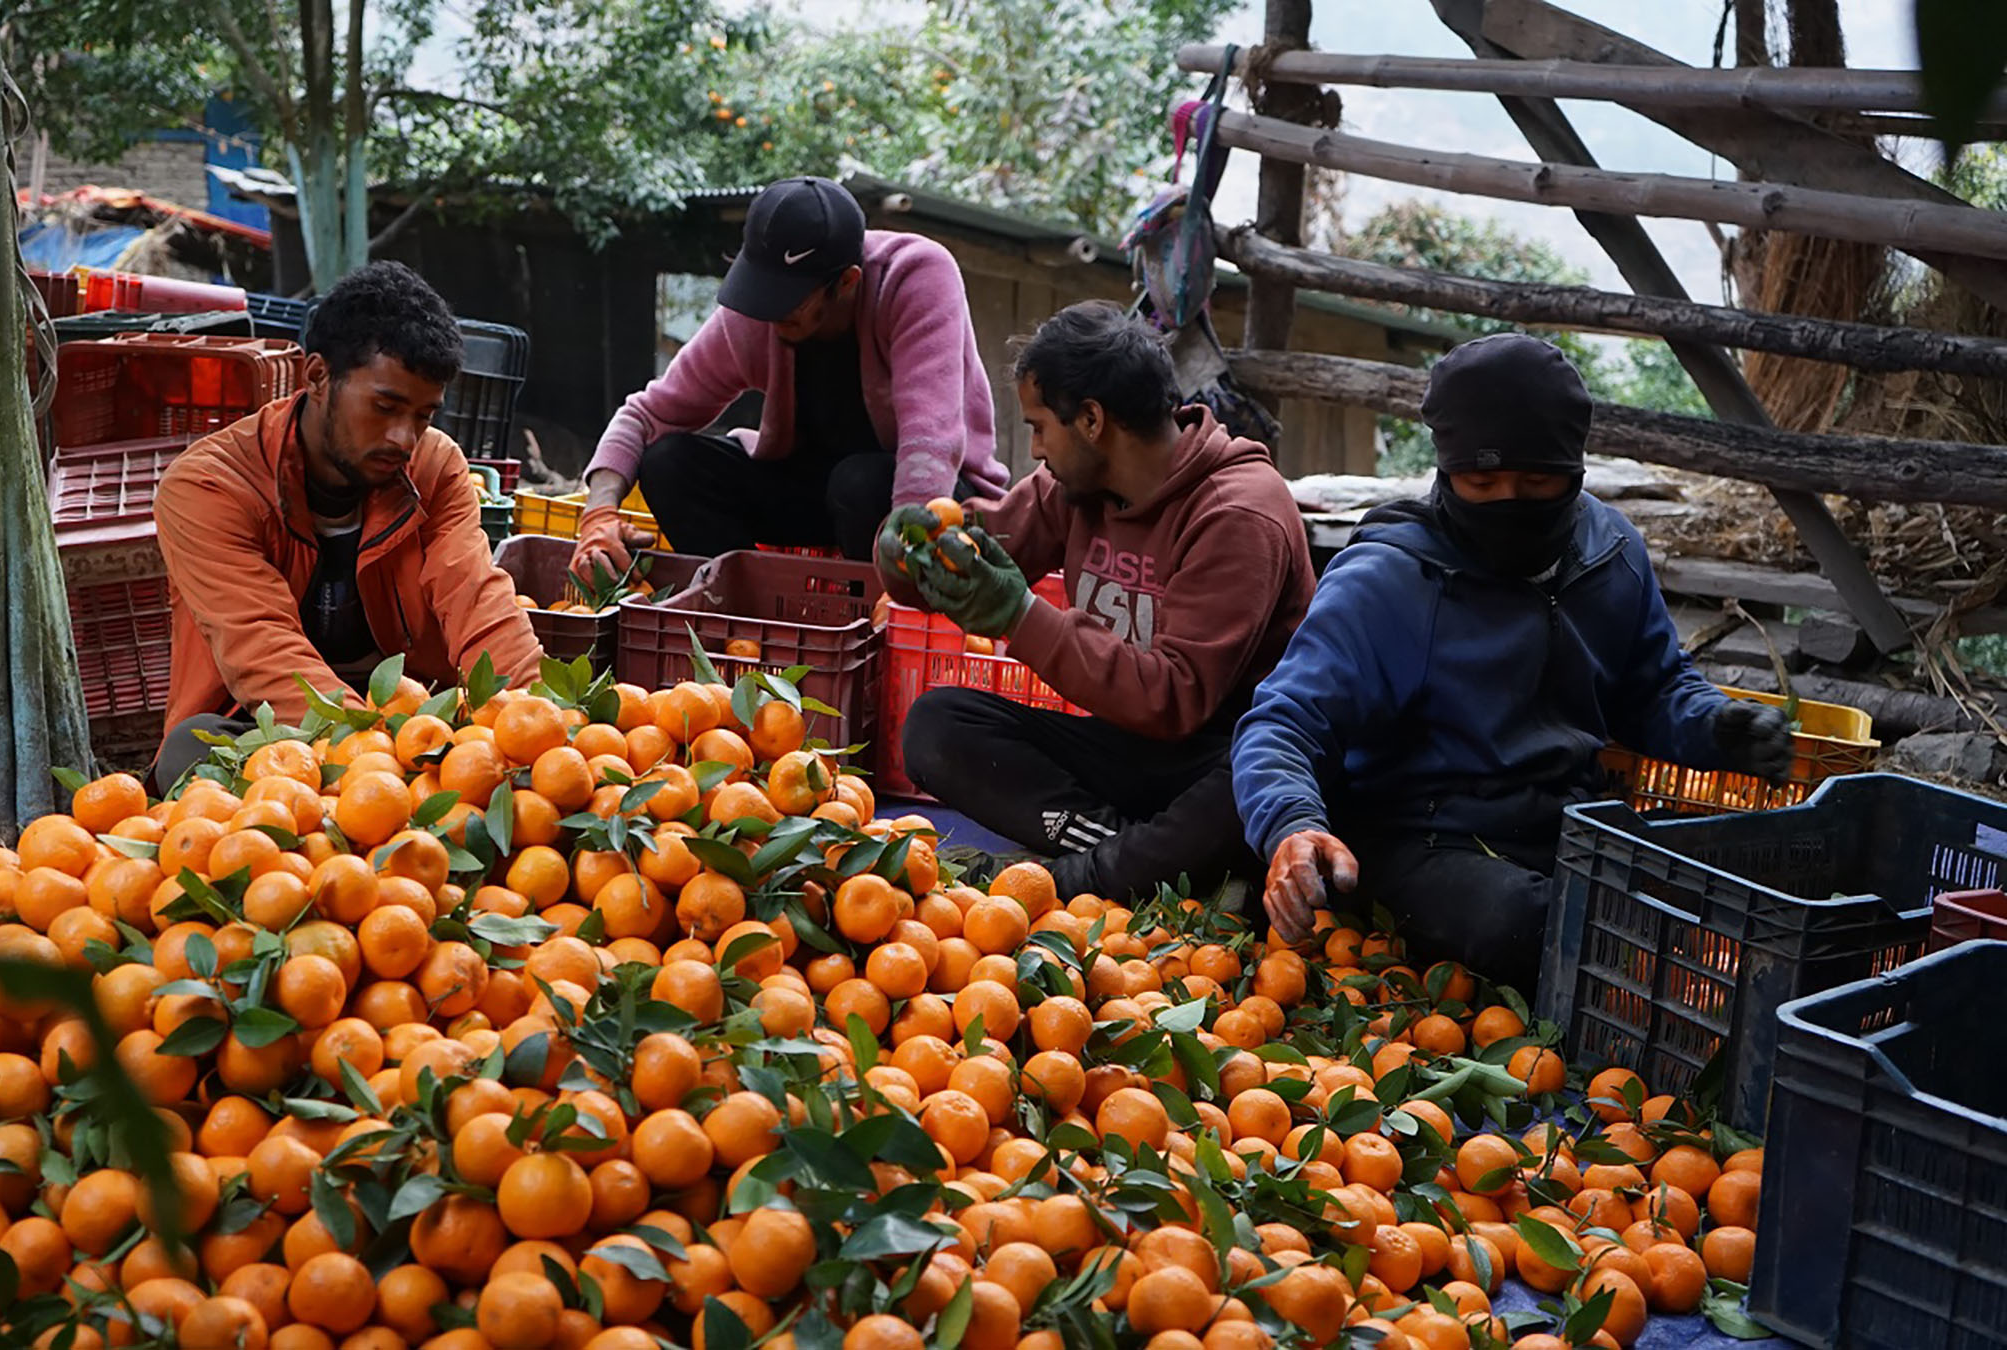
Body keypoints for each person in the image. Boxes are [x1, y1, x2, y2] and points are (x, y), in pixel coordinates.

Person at [1231, 332, 1794, 992]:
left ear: (1576, 470)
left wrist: (1717, 728)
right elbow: (1282, 722)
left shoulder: (1610, 554)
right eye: (1481, 481)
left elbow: (1652, 688)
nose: (1509, 502)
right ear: (1446, 472)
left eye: (1537, 481)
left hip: (1571, 829)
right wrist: (1292, 825)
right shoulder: (1390, 579)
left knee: (1704, 896)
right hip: (1424, 842)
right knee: (1531, 922)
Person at [877, 301, 1316, 901]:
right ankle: (1132, 852)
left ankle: (1093, 874)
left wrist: (1018, 616)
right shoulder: (1076, 486)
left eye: (1038, 427)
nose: (1033, 450)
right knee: (938, 723)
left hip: (1218, 755)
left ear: (1090, 420)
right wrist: (909, 554)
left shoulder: (1237, 513)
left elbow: (1173, 699)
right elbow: (980, 549)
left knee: (1251, 784)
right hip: (1126, 749)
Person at [151, 261, 542, 791]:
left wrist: (532, 721)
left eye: (424, 416)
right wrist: (367, 755)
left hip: (414, 715)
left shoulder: (434, 467)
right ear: (316, 376)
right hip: (274, 723)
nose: (405, 438)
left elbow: (476, 596)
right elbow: (260, 646)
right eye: (385, 407)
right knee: (191, 751)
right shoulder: (210, 487)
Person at [570, 175, 1009, 570]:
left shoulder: (915, 277)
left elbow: (930, 442)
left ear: (848, 282)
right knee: (669, 462)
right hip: (816, 494)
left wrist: (904, 565)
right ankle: (739, 619)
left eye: (789, 301)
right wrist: (599, 513)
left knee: (857, 482)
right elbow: (645, 417)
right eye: (763, 293)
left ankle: (875, 632)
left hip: (929, 503)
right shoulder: (758, 312)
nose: (771, 313)